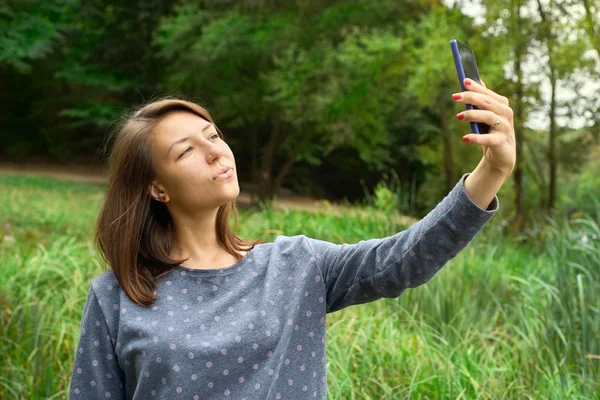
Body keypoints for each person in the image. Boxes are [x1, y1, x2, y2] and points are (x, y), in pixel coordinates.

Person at [68, 78, 515, 399]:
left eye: (213, 135)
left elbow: (404, 259)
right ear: (157, 188)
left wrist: (492, 171)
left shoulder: (295, 265)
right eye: (185, 150)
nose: (214, 151)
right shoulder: (116, 297)